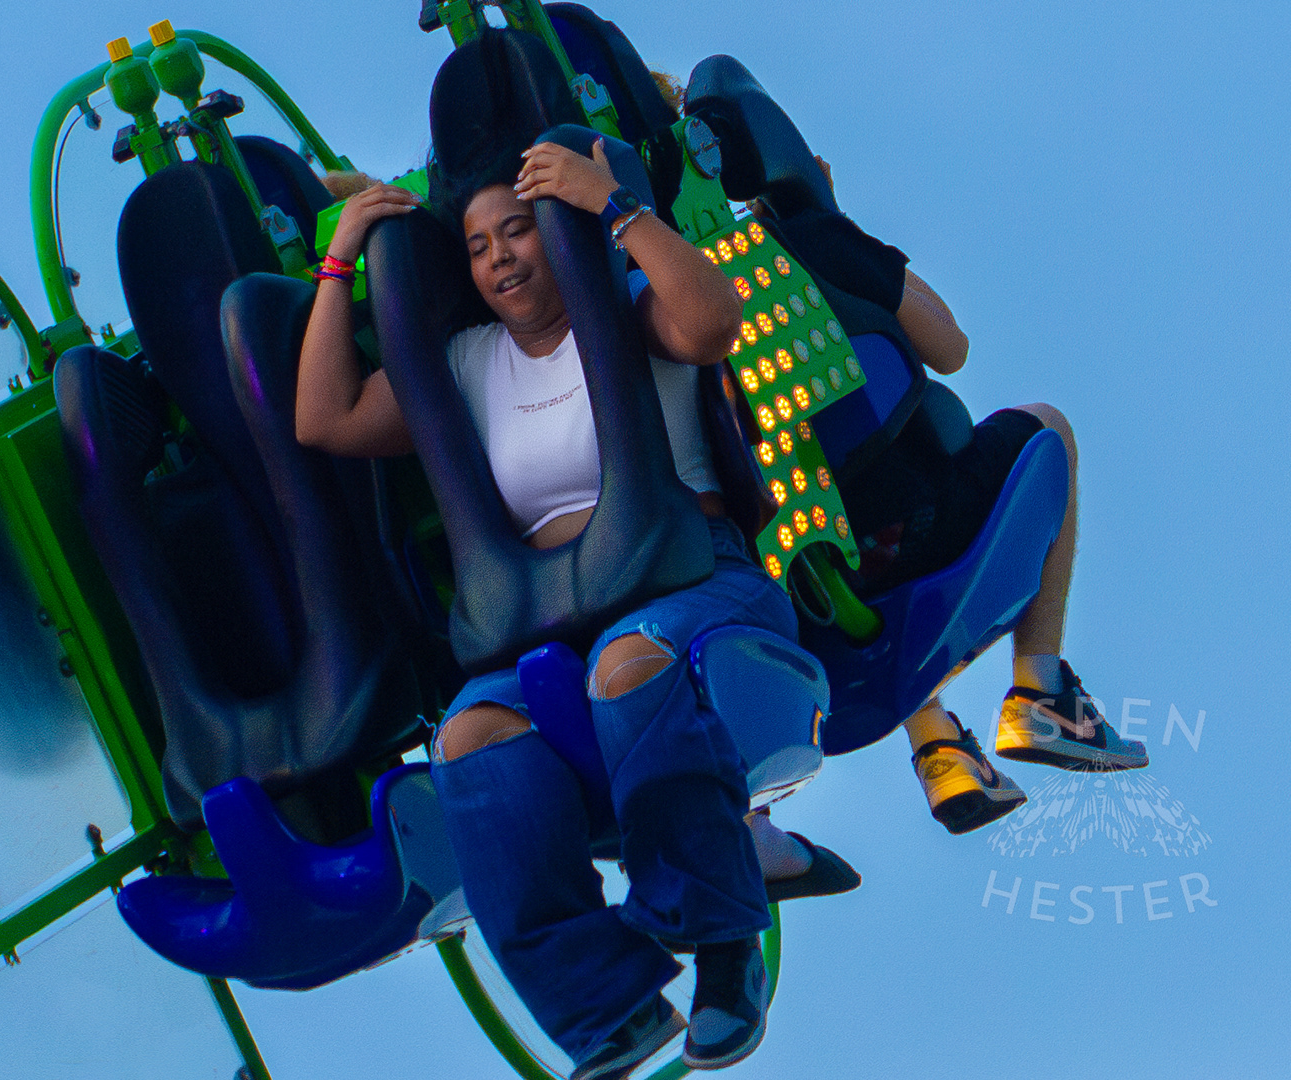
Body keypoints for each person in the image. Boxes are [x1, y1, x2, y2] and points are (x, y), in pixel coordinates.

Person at [296, 140, 778, 1079]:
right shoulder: (470, 363)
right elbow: (326, 419)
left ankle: (723, 945)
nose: (502, 258)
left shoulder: (625, 318)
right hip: (547, 623)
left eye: (518, 230)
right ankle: (607, 1007)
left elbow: (717, 323)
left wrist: (614, 205)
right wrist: (340, 259)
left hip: (690, 581)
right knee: (467, 737)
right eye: (478, 247)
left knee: (629, 664)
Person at [730, 163, 1142, 831]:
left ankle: (939, 749)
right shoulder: (799, 240)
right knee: (1047, 428)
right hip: (909, 530)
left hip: (793, 594)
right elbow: (949, 348)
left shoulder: (642, 310)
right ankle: (1042, 688)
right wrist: (828, 219)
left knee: (838, 554)